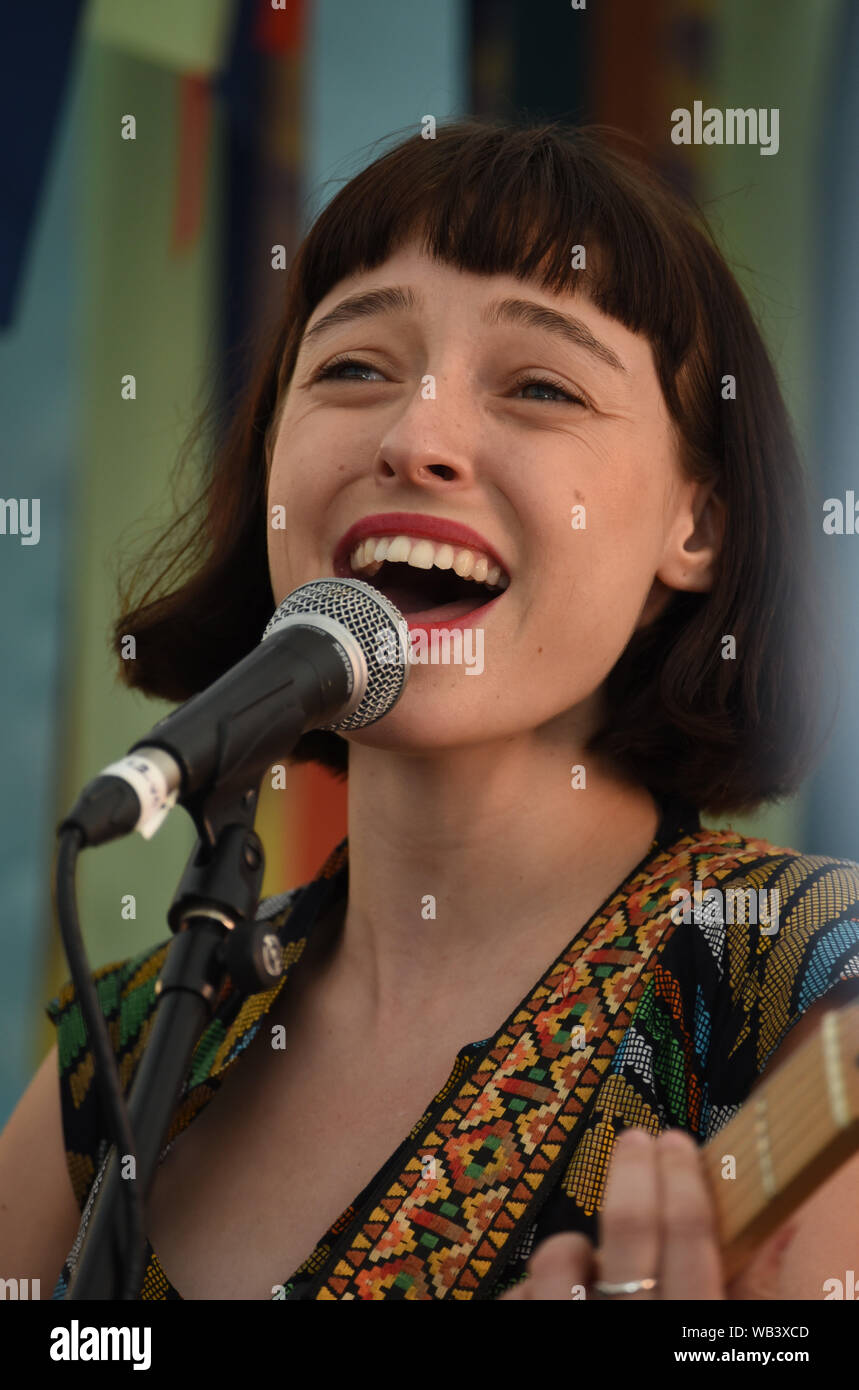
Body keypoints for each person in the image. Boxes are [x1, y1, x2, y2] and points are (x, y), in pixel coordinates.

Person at [2, 119, 858, 1302]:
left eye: (541, 385)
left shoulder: (815, 981)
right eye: (353, 367)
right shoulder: (127, 1040)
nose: (415, 440)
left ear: (696, 526)